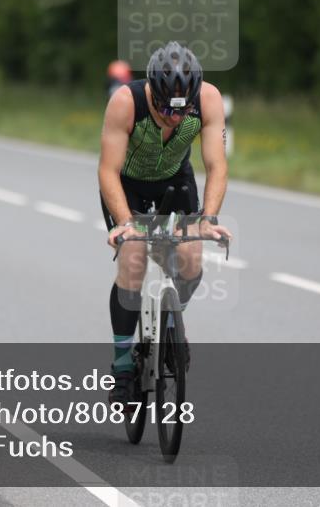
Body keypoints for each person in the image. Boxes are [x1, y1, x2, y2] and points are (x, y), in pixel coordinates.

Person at [98, 41, 232, 406]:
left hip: (175, 181)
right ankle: (124, 366)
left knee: (190, 262)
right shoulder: (126, 102)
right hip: (128, 186)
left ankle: (173, 326)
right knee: (135, 256)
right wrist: (125, 223)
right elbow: (107, 170)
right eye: (165, 109)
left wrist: (209, 219)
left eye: (181, 110)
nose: (174, 118)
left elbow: (217, 166)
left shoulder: (208, 99)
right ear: (152, 93)